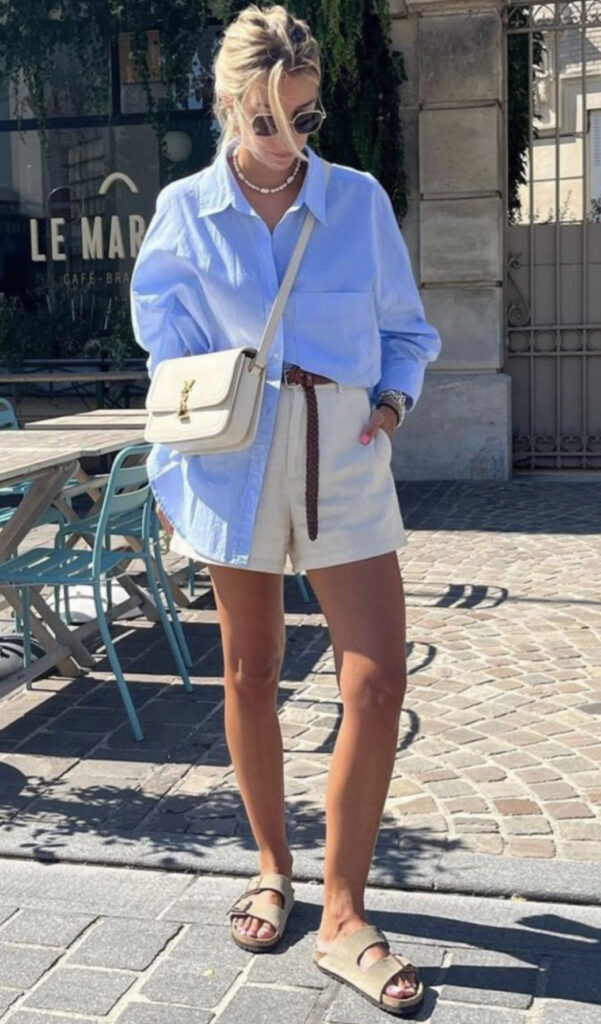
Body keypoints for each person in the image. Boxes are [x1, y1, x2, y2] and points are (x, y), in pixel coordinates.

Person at [131, 3, 441, 1015]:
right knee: (251, 670)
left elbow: (407, 330)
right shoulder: (184, 211)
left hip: (342, 453)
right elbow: (170, 364)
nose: (288, 139)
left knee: (378, 681)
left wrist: (388, 407)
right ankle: (272, 866)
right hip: (233, 461)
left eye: (304, 117)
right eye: (266, 119)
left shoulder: (356, 202)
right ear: (225, 104)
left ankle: (344, 913)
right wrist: (174, 484)